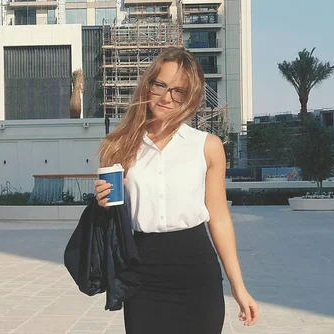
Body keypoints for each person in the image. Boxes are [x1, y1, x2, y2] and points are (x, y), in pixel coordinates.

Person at [94, 46, 260, 334]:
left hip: (195, 268)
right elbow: (115, 218)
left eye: (179, 91)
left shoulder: (207, 146)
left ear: (190, 98)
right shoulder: (119, 145)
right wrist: (103, 202)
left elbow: (218, 218)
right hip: (142, 270)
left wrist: (238, 287)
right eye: (161, 85)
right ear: (148, 85)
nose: (167, 97)